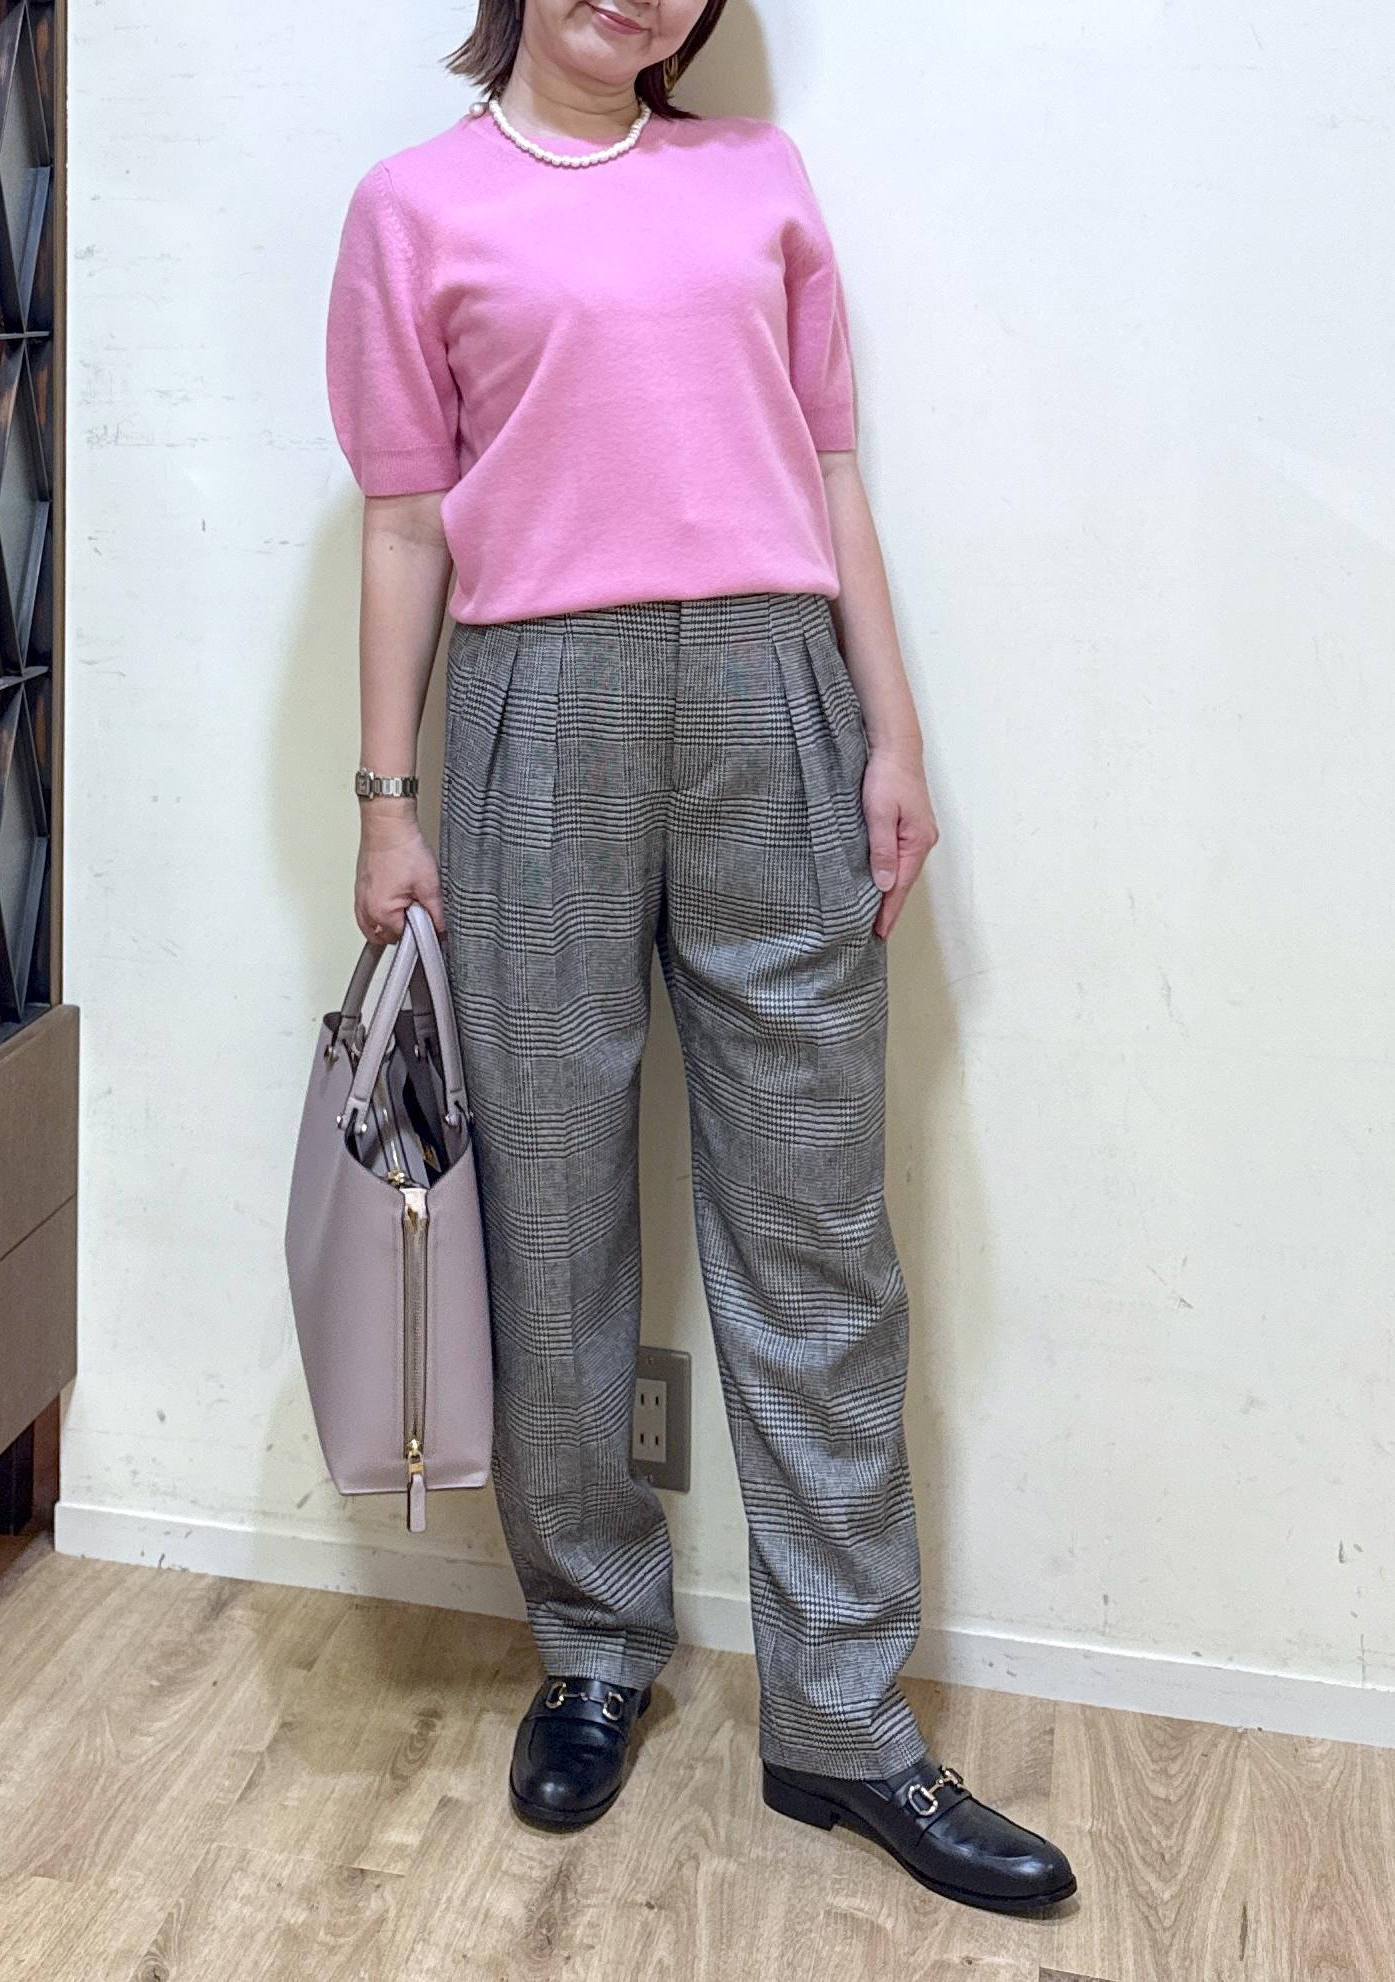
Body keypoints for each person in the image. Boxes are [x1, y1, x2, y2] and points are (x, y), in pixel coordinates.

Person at [323, 0, 1077, 1917]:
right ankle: (593, 1641)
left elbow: (831, 474)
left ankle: (845, 1717)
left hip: (773, 697)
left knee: (815, 1222)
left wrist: (893, 732)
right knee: (553, 1206)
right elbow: (404, 527)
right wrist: (386, 798)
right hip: (532, 714)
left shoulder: (759, 178)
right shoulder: (414, 208)